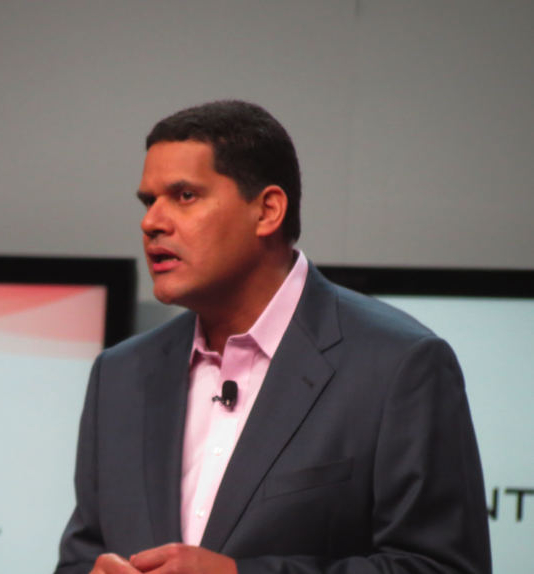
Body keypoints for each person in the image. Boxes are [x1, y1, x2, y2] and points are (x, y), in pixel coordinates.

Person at [54, 101, 491, 574]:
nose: (151, 222)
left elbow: (440, 567)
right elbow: (82, 557)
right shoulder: (120, 374)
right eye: (148, 201)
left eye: (184, 196)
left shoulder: (398, 365)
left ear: (267, 211)